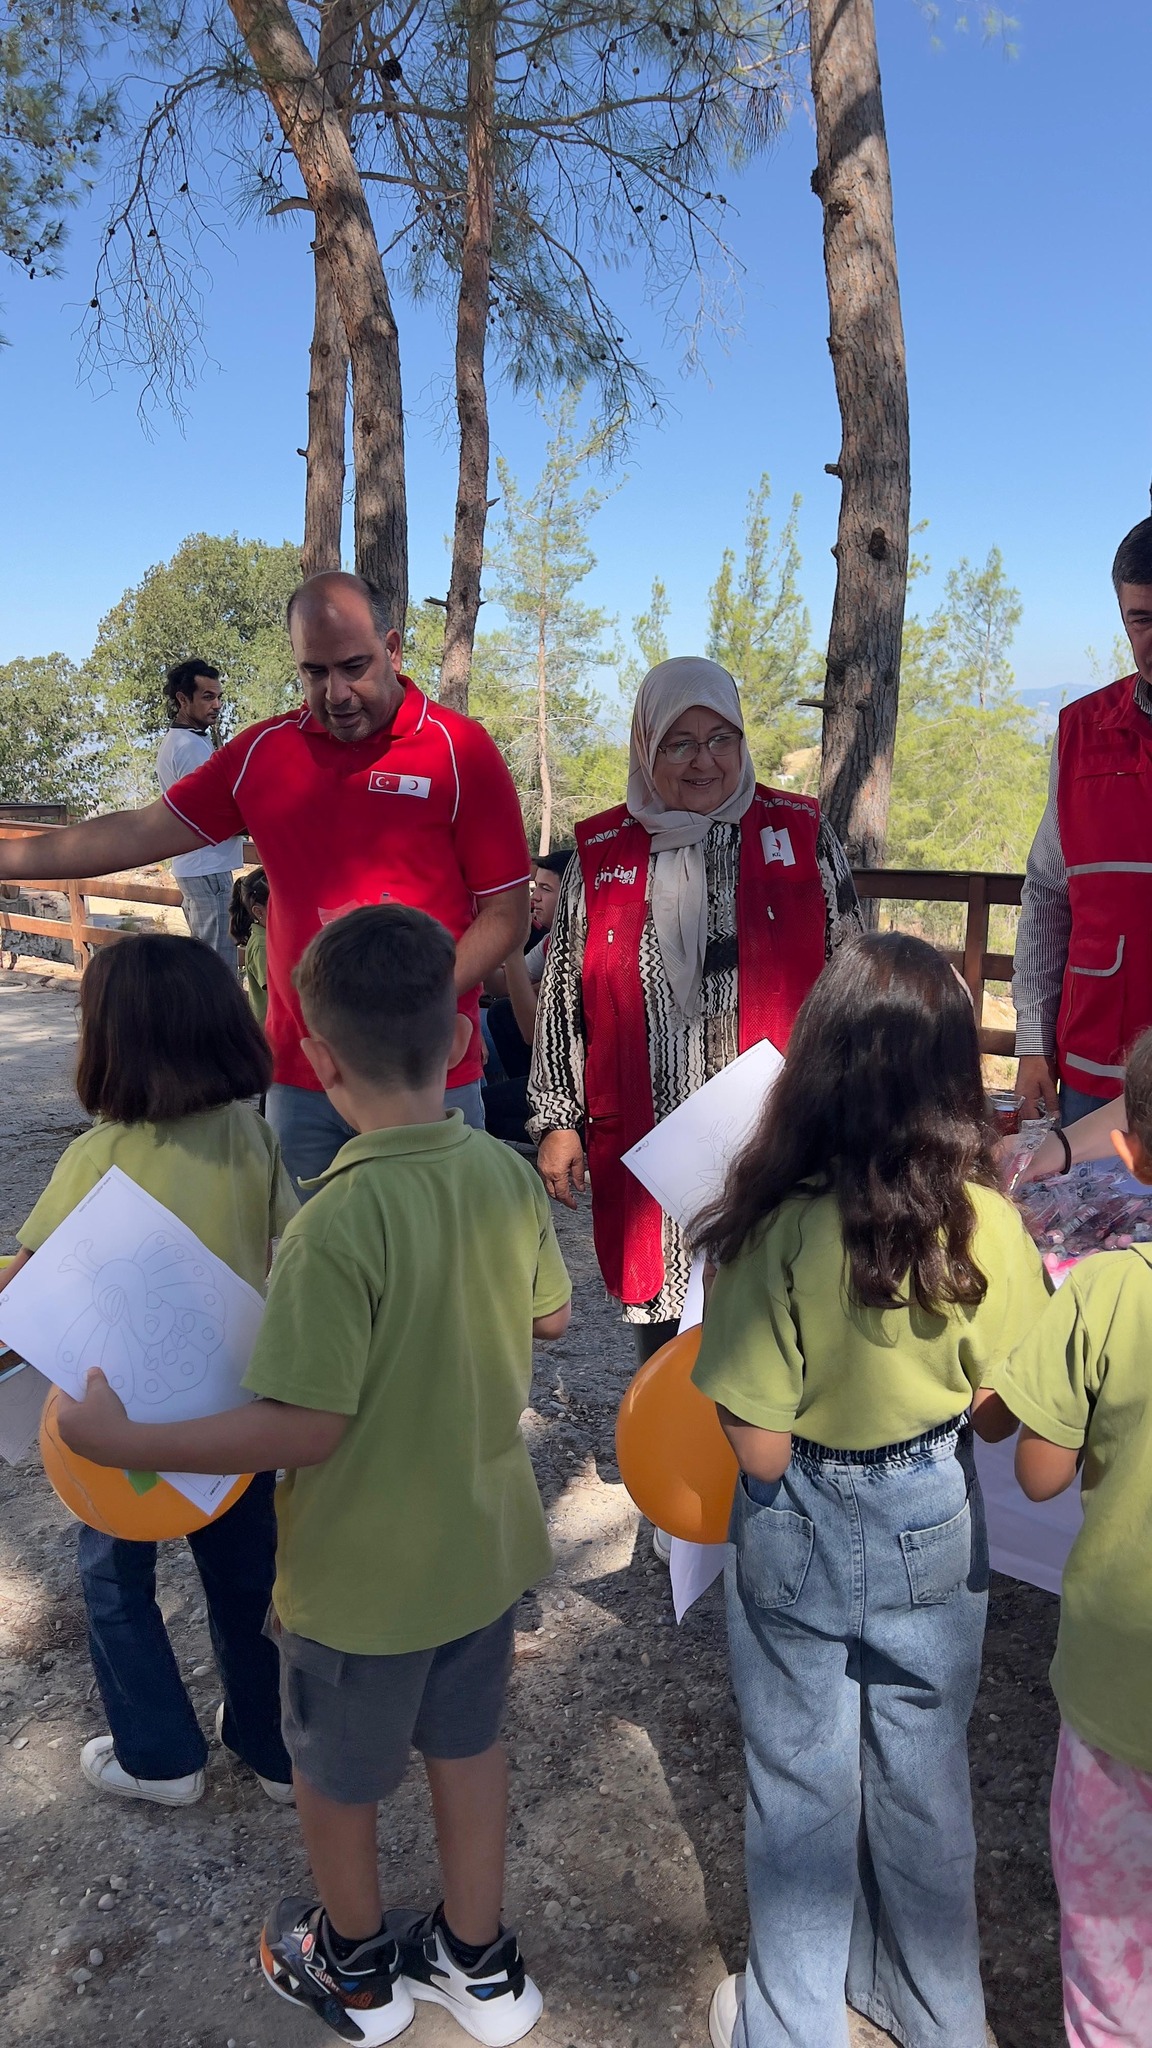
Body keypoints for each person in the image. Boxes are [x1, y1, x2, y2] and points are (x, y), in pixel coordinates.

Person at [57, 904, 572, 2048]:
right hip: (483, 1549)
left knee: (338, 1779)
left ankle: (353, 1966)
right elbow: (554, 1312)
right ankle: (478, 1963)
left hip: (360, 1580)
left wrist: (124, 1441)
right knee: (469, 1747)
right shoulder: (501, 1172)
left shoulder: (336, 1221)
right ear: (455, 1039)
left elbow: (302, 1428)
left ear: (320, 1058)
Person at [691, 932, 1051, 2048]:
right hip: (934, 1514)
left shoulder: (772, 1224)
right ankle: (941, 2011)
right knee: (926, 1777)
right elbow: (1001, 1411)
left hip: (797, 1515)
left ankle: (791, 2018)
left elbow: (755, 1452)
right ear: (952, 1070)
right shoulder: (990, 1225)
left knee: (798, 1785)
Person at [0, 573, 532, 1189]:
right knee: (311, 1265)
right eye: (314, 672)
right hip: (303, 1075)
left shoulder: (459, 750)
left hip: (427, 1071)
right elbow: (136, 832)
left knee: (437, 1272)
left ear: (392, 649)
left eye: (354, 666)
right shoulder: (263, 752)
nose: (335, 693)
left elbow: (505, 918)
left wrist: (412, 1007)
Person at [0, 934, 296, 1806]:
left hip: (113, 1423)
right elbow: (297, 1244)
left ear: (107, 1042)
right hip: (235, 1411)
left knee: (113, 1576)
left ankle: (160, 1757)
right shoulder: (253, 1136)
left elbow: (26, 1279)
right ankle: (272, 1747)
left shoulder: (96, 1156)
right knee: (249, 1574)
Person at [529, 656, 862, 1359]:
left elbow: (852, 981)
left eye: (721, 738)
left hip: (782, 1137)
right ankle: (676, 1463)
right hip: (656, 1144)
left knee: (788, 1320)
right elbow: (563, 994)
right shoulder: (601, 853)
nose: (704, 760)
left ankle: (776, 1469)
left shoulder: (801, 834)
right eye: (679, 742)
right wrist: (557, 1122)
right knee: (669, 1340)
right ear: (648, 748)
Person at [988, 1030, 1152, 2048]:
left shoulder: (1106, 1290)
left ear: (1127, 1148)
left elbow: (1037, 1470)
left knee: (1106, 1959)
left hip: (1117, 1689)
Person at [1014, 516, 1152, 1126]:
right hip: (1097, 1072)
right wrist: (1032, 1044)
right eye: (1142, 619)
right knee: (1089, 1224)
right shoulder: (1081, 732)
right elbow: (1046, 895)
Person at [155, 660, 244, 965]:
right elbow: (210, 812)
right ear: (183, 699)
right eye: (207, 697)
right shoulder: (190, 747)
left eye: (219, 697)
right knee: (218, 965)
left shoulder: (182, 741)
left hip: (195, 865)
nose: (217, 705)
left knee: (206, 961)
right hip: (208, 867)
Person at [230, 867, 270, 1031]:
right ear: (259, 912)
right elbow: (276, 991)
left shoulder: (266, 937)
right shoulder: (262, 946)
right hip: (270, 1028)